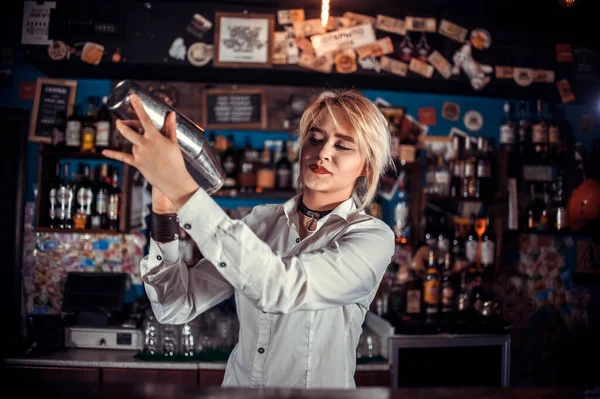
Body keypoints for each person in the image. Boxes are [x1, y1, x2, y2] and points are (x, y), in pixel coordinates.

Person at [102, 89, 396, 388]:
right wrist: (164, 214)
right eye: (316, 138)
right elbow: (176, 306)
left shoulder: (371, 238)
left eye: (343, 146)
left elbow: (282, 288)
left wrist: (182, 188)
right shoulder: (262, 222)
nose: (323, 153)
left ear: (367, 166)